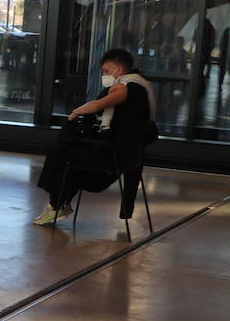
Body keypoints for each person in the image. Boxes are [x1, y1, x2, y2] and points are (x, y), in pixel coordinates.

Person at [32, 48, 156, 226]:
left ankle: (56, 205)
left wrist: (75, 112)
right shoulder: (141, 85)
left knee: (59, 152)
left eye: (106, 71)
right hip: (125, 155)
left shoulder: (129, 87)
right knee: (66, 152)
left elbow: (99, 105)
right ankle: (59, 204)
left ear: (119, 70)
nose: (104, 75)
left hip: (113, 155)